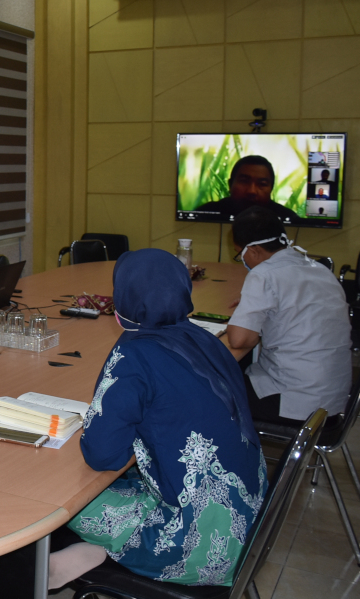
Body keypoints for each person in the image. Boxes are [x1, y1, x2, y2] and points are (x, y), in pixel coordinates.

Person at [51, 248, 266, 589]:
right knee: (125, 478)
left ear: (119, 304)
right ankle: (106, 551)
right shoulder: (207, 339)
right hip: (253, 524)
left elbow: (104, 454)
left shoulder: (133, 353)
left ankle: (112, 552)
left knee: (58, 500)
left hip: (198, 547)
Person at [226, 206, 352, 422]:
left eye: (240, 254)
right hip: (332, 400)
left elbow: (239, 339)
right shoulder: (319, 269)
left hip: (295, 402)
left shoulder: (263, 275)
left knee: (209, 384)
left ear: (254, 250)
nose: (244, 261)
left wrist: (246, 311)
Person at [195, 155, 299, 222]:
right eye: (244, 181)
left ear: (271, 188)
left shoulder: (287, 217)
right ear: (230, 185)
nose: (252, 191)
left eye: (262, 184)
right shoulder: (206, 213)